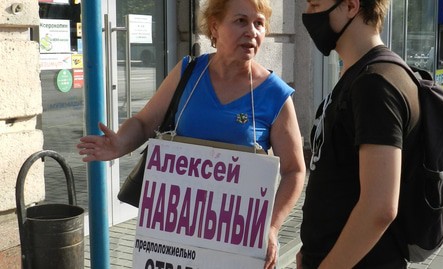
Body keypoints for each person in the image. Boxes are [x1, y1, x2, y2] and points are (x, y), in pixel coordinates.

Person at [77, 0, 306, 268]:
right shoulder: (188, 72)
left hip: (238, 238)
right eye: (241, 21)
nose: (252, 31)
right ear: (215, 27)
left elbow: (294, 170)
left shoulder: (275, 93)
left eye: (259, 24)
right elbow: (144, 122)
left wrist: (272, 227)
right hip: (176, 234)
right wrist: (120, 144)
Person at [298, 0, 420, 268]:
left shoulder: (375, 83)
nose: (308, 15)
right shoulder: (358, 74)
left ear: (352, 6)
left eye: (316, 5)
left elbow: (379, 208)